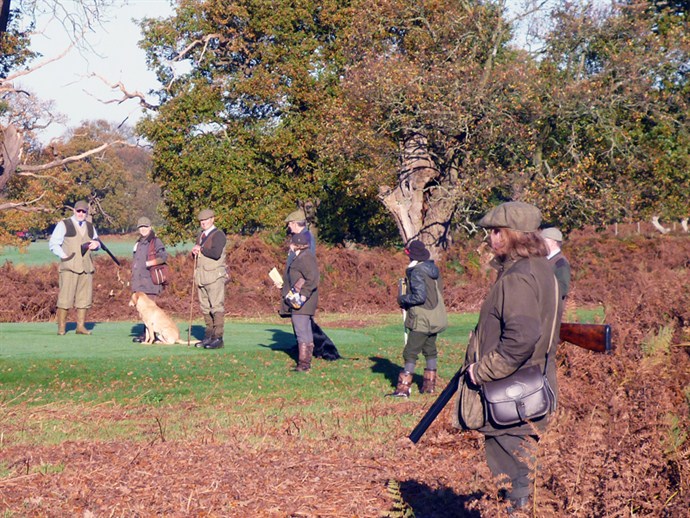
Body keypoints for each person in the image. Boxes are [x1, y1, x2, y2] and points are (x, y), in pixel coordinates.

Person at [456, 201, 562, 512]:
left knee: (514, 480)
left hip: (512, 398)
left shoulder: (519, 276)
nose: (490, 238)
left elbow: (521, 338)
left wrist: (483, 371)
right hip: (531, 390)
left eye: (495, 231)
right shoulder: (542, 269)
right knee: (526, 477)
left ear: (511, 235)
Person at [391, 240, 447, 397]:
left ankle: (403, 389)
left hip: (422, 319)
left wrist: (403, 299)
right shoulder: (433, 269)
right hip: (435, 317)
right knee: (430, 350)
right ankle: (429, 386)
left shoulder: (416, 271)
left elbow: (419, 297)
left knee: (410, 352)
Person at [49, 200, 101, 335]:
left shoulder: (90, 226)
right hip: (69, 268)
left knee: (84, 298)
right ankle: (61, 328)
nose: (81, 213)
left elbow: (97, 242)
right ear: (74, 211)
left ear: (86, 213)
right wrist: (65, 256)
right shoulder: (64, 224)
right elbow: (53, 244)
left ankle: (81, 327)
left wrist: (96, 245)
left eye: (84, 211)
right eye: (79, 211)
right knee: (65, 298)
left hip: (86, 267)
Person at [280, 232, 319, 372]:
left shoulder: (305, 257)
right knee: (305, 331)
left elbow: (313, 278)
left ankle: (303, 364)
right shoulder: (304, 256)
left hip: (303, 301)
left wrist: (302, 296)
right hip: (303, 299)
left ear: (294, 245)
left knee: (301, 331)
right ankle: (306, 363)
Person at [191, 209, 227, 350]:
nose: (203, 223)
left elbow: (216, 253)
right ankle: (208, 336)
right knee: (205, 308)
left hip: (214, 277)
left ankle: (218, 338)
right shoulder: (200, 235)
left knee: (216, 307)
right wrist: (194, 252)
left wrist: (201, 249)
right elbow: (200, 254)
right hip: (201, 277)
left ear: (213, 219)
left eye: (206, 220)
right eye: (201, 221)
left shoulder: (219, 235)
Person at [131, 216, 168, 342]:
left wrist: (149, 263)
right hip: (139, 281)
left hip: (150, 282)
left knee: (149, 310)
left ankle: (151, 336)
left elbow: (163, 257)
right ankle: (146, 335)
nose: (143, 229)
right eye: (141, 227)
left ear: (150, 227)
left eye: (145, 227)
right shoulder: (138, 243)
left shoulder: (156, 241)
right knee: (142, 310)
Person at [540, 227, 571, 301]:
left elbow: (563, 289)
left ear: (554, 242)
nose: (541, 243)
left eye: (544, 240)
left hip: (552, 309)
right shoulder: (545, 259)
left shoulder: (560, 262)